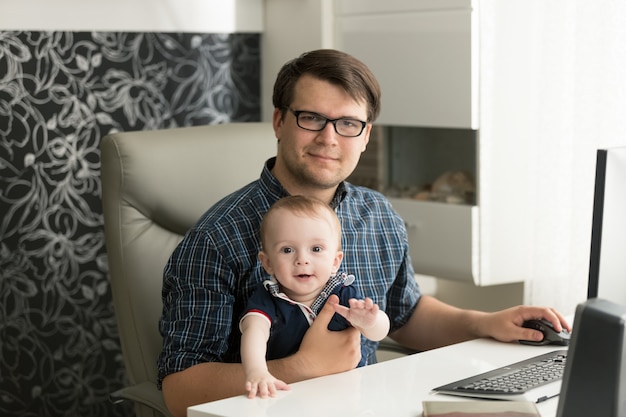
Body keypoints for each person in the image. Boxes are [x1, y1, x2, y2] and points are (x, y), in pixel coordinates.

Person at [157, 49, 571, 417]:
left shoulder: (377, 214)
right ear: (280, 121)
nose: (329, 138)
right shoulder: (216, 237)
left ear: (366, 135)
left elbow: (406, 315)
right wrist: (299, 369)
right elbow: (178, 390)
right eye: (312, 118)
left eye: (348, 124)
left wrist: (486, 322)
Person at [240, 195, 390, 398]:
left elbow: (379, 332)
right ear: (267, 263)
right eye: (287, 249)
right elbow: (254, 333)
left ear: (335, 261)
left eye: (316, 249)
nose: (302, 259)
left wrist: (371, 322)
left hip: (349, 396)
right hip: (290, 398)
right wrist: (257, 371)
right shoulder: (268, 298)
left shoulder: (343, 293)